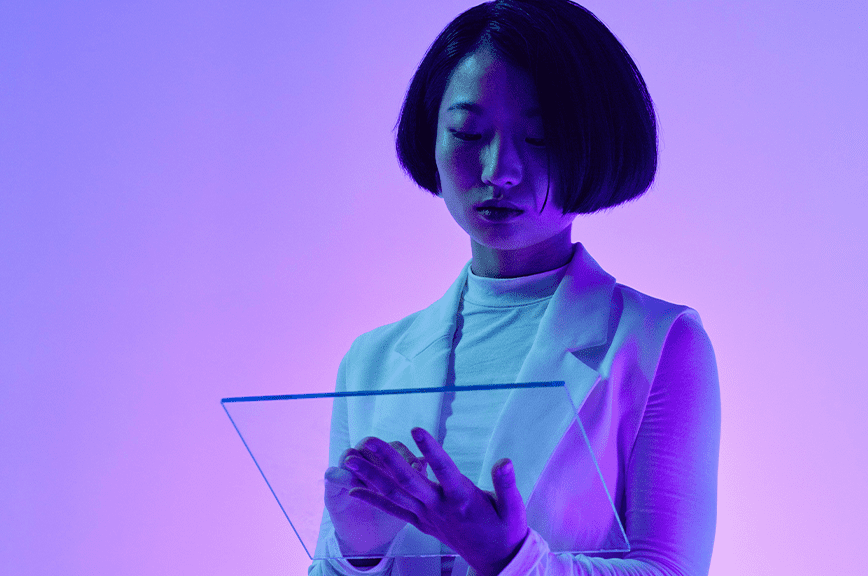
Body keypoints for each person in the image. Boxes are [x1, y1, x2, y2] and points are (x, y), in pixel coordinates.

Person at [308, 1, 720, 575]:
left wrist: (510, 557)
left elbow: (671, 571)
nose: (499, 170)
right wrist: (358, 552)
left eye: (541, 137)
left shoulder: (659, 342)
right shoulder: (371, 360)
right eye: (468, 132)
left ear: (595, 141)